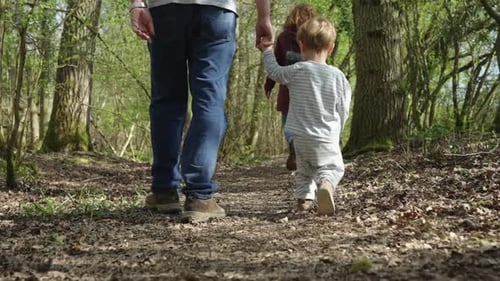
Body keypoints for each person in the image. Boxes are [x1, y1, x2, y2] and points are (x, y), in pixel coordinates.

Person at [129, 0, 274, 221]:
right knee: (210, 100)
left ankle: (164, 190)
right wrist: (263, 16)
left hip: (164, 10)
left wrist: (137, 4)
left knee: (166, 101)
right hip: (217, 11)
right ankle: (199, 195)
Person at [257, 16, 351, 215]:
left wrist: (266, 50)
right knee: (333, 168)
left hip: (299, 136)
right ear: (331, 47)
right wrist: (338, 129)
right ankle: (326, 185)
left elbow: (274, 72)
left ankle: (303, 201)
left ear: (301, 44)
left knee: (304, 170)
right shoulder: (338, 76)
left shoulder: (296, 70)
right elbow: (344, 108)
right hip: (326, 136)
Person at [264, 4, 318, 171]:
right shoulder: (289, 38)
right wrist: (270, 82)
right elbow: (278, 59)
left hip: (291, 91)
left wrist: (270, 83)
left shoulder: (286, 37)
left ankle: (295, 148)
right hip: (308, 92)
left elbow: (277, 62)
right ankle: (300, 152)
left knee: (289, 125)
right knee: (301, 123)